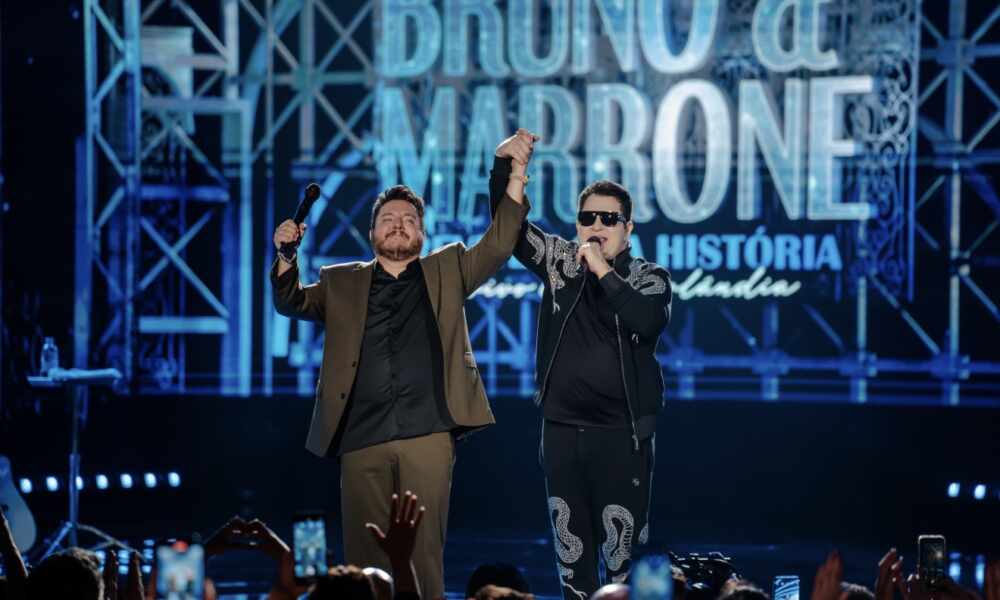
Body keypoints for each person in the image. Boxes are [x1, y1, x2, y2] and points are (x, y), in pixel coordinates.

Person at [271, 138, 534, 598]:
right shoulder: (340, 281)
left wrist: (514, 172)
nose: (398, 225)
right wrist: (287, 256)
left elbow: (498, 244)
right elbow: (289, 300)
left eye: (409, 220)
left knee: (423, 554)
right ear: (371, 233)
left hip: (427, 433)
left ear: (422, 234)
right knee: (363, 560)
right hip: (360, 435)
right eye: (388, 219)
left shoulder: (448, 268)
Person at [489, 133, 672, 599]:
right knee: (572, 560)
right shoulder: (559, 263)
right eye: (588, 217)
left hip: (622, 437)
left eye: (608, 219)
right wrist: (505, 168)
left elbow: (647, 321)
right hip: (562, 433)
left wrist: (602, 270)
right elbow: (509, 229)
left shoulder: (648, 277)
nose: (596, 226)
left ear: (628, 229)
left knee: (622, 561)